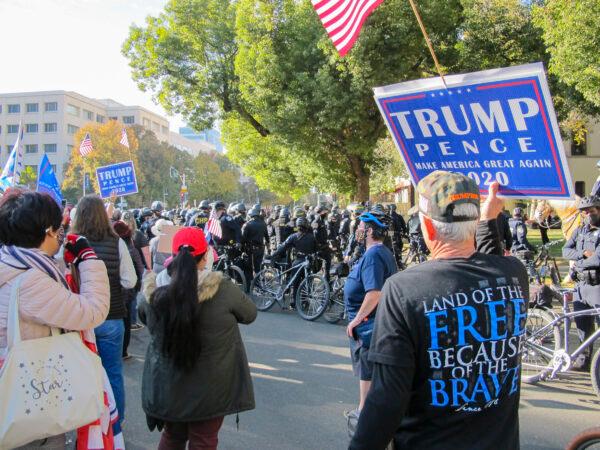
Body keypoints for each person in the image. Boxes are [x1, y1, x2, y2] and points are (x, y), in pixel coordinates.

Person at [350, 173, 529, 450]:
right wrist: (488, 220)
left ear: (428, 229)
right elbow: (492, 270)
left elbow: (386, 398)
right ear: (472, 225)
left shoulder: (403, 289)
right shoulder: (515, 275)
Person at [0, 190, 110, 449]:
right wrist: (89, 259)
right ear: (48, 231)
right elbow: (92, 311)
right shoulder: (29, 282)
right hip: (32, 402)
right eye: (60, 228)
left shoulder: (12, 262)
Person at [140, 227, 257, 450]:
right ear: (205, 257)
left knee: (172, 436)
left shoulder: (152, 292)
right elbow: (250, 314)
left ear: (172, 257)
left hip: (168, 385)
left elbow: (144, 317)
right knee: (203, 440)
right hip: (211, 388)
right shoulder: (223, 289)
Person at [71, 195, 137, 433]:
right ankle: (115, 426)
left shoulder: (70, 242)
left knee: (81, 374)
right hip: (111, 316)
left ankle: (86, 428)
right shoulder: (116, 241)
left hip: (79, 320)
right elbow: (130, 280)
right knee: (113, 373)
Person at [344, 212, 397, 424]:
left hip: (368, 323)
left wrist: (357, 319)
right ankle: (365, 410)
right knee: (370, 371)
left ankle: (363, 414)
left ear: (371, 231)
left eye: (361, 227)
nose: (358, 230)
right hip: (374, 321)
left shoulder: (374, 255)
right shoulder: (381, 252)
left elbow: (374, 292)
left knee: (367, 370)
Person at [562, 195, 600, 370]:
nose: (588, 214)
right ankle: (584, 359)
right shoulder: (579, 231)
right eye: (585, 212)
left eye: (591, 211)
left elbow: (598, 259)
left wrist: (579, 263)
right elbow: (565, 251)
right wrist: (582, 255)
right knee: (582, 325)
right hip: (580, 286)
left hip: (597, 285)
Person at [113, 220, 144, 360]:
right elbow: (139, 268)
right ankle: (123, 351)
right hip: (128, 290)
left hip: (114, 292)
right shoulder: (130, 248)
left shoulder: (112, 247)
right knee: (124, 321)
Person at [270, 217, 317, 308]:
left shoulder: (293, 236)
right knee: (307, 281)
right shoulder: (312, 237)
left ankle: (293, 301)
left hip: (298, 261)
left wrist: (273, 255)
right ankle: (304, 302)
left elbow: (283, 247)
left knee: (294, 282)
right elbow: (316, 250)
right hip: (308, 262)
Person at [242, 206, 269, 280]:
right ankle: (257, 283)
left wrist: (242, 250)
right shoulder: (263, 224)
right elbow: (267, 237)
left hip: (251, 250)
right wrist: (268, 247)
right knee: (258, 267)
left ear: (250, 215)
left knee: (249, 268)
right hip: (261, 249)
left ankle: (250, 285)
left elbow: (243, 239)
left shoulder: (248, 225)